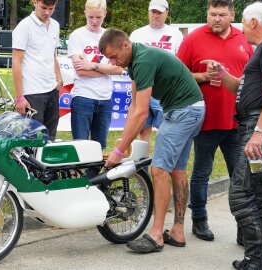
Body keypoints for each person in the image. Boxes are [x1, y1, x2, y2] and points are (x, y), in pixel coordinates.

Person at [201, 2, 262, 269]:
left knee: (240, 193)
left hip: (259, 126)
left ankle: (257, 258)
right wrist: (224, 74)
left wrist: (258, 133)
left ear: (253, 22)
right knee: (261, 192)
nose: (240, 26)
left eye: (241, 21)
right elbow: (244, 88)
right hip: (255, 124)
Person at [99, 28, 205, 253]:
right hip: (193, 109)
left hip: (182, 112)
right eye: (109, 59)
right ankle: (177, 231)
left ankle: (156, 235)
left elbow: (142, 113)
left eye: (114, 56)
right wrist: (121, 145)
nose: (113, 62)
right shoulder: (135, 62)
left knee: (158, 170)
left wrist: (119, 152)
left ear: (125, 45)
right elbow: (133, 107)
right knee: (177, 170)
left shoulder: (144, 60)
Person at [177, 0, 253, 242]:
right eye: (212, 14)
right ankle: (199, 220)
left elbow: (253, 76)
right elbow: (176, 74)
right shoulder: (193, 39)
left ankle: (244, 226)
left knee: (240, 176)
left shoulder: (244, 39)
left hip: (236, 121)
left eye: (221, 14)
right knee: (201, 172)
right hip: (205, 119)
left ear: (232, 15)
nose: (216, 19)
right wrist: (202, 76)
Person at [67, 0, 123, 149]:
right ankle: (80, 173)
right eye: (91, 17)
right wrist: (106, 70)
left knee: (99, 147)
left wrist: (92, 65)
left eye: (98, 17)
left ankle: (94, 173)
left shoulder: (110, 36)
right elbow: (81, 71)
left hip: (105, 98)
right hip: (83, 97)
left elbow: (119, 69)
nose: (94, 21)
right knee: (80, 146)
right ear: (85, 13)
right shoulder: (77, 35)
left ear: (105, 14)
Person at [129, 0, 184, 151]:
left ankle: (161, 164)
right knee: (143, 129)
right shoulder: (137, 34)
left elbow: (180, 62)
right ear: (148, 12)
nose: (156, 15)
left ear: (166, 13)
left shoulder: (175, 34)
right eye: (153, 12)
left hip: (165, 91)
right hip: (143, 87)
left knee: (165, 130)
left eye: (159, 12)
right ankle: (142, 168)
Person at [12, 0, 63, 141]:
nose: (47, 12)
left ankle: (46, 163)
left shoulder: (55, 25)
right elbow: (16, 63)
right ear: (35, 2)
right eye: (44, 8)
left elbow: (52, 55)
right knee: (33, 138)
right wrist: (20, 98)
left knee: (50, 136)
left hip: (52, 89)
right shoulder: (24, 27)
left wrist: (59, 79)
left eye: (51, 8)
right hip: (32, 91)